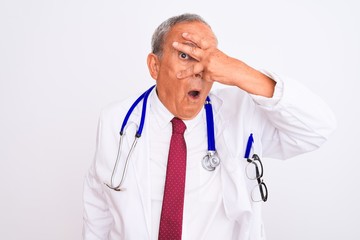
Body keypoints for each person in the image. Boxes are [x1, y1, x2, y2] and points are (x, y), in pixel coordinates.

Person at [83, 13, 336, 240]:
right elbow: (98, 211)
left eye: (210, 58)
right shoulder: (116, 121)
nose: (200, 69)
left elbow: (317, 128)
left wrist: (240, 72)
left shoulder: (239, 115)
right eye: (185, 55)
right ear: (155, 66)